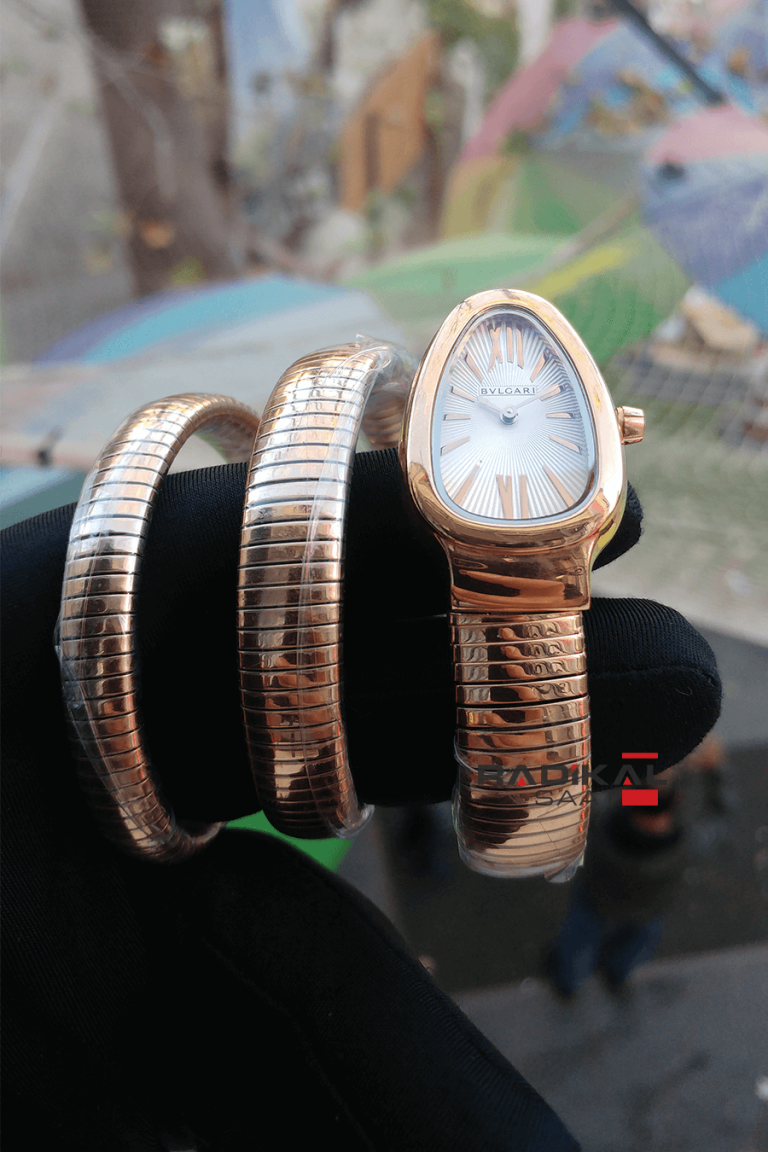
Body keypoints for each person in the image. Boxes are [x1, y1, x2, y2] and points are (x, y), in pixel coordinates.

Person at [1, 449, 721, 1150]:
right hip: (613, 877)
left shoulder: (639, 799)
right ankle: (589, 961)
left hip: (593, 865)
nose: (654, 790)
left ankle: (567, 954)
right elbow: (642, 801)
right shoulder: (658, 806)